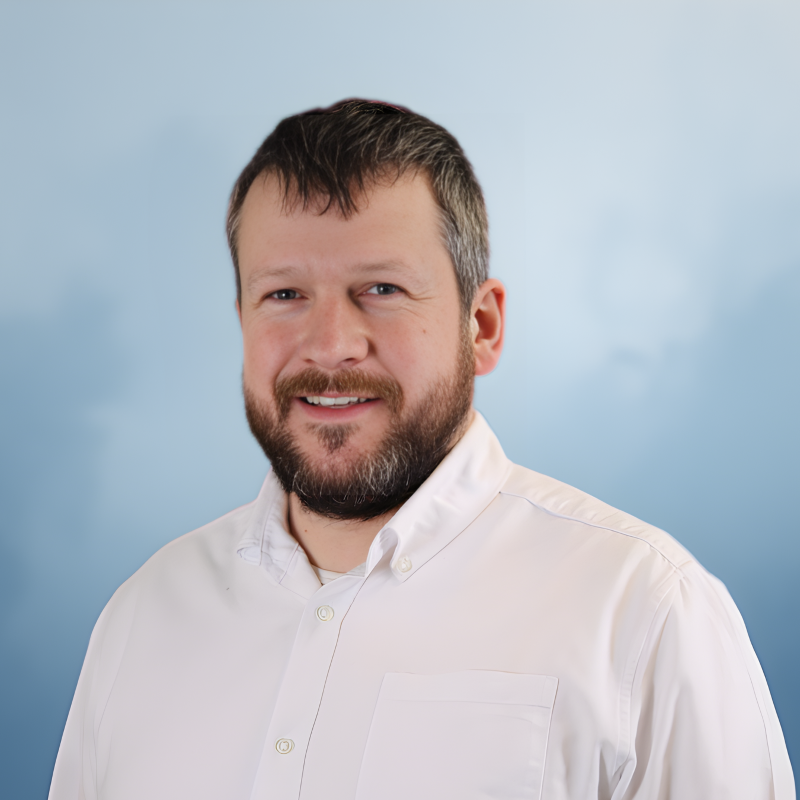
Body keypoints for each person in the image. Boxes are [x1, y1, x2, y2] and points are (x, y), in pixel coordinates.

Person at [49, 99, 793, 800]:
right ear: (241, 318)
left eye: (381, 288)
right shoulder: (139, 619)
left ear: (484, 326)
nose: (332, 345)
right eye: (284, 295)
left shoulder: (647, 612)